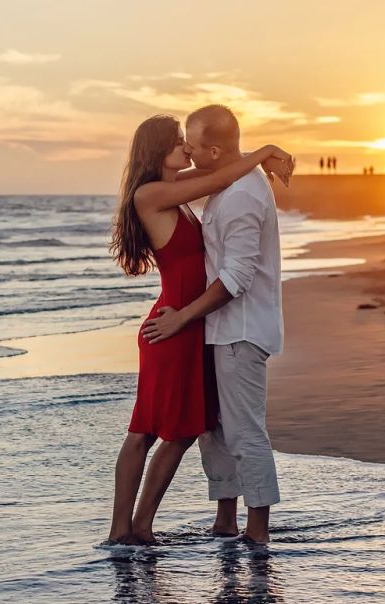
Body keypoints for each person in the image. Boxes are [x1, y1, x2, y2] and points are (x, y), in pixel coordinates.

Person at [106, 113, 293, 546]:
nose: (186, 150)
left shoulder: (175, 189)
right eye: (178, 143)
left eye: (188, 143)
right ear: (159, 152)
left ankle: (141, 528)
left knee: (187, 429)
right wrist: (263, 152)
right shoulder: (154, 193)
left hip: (191, 323)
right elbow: (217, 174)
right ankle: (124, 530)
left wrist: (253, 156)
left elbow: (218, 169)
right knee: (148, 430)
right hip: (174, 324)